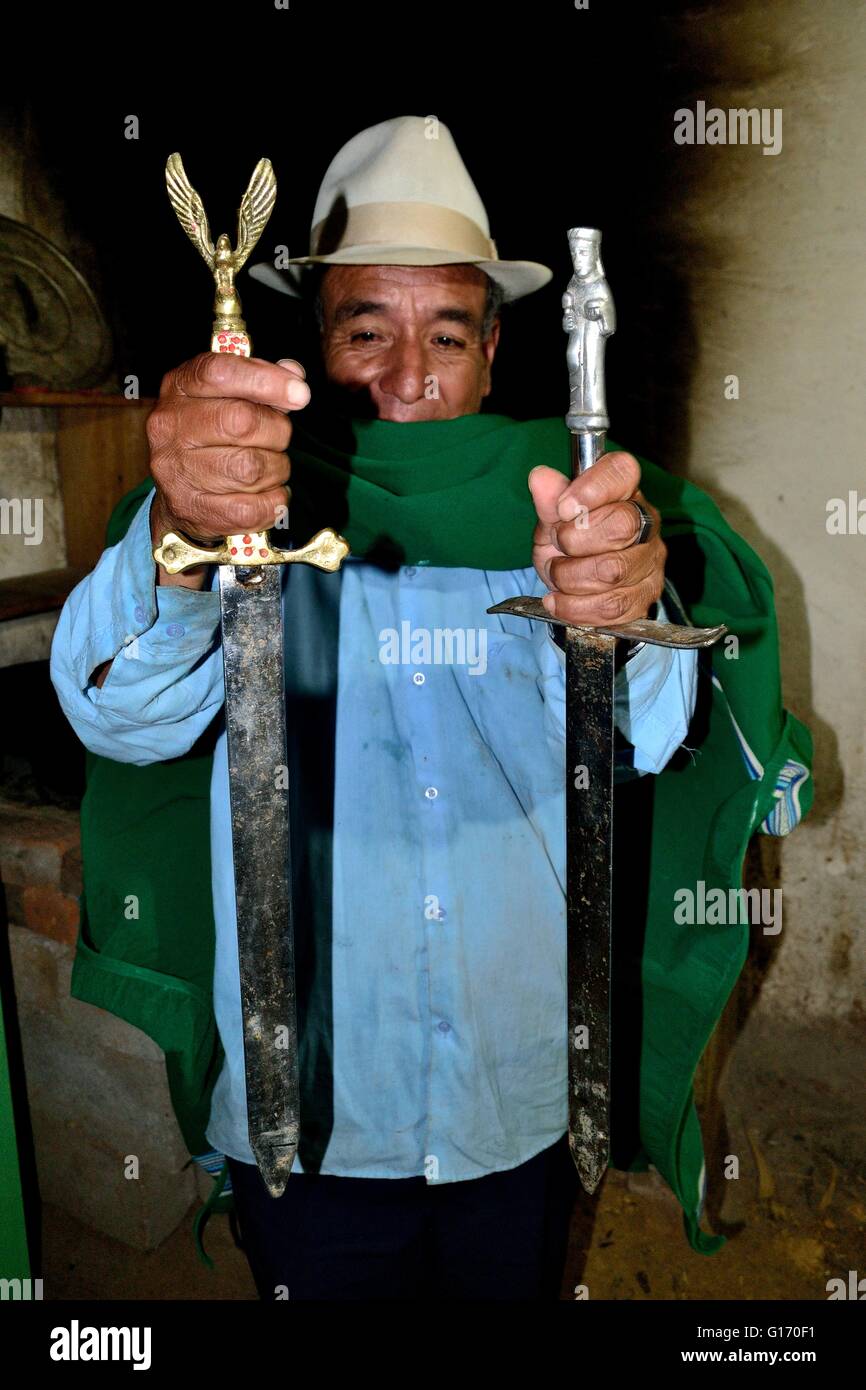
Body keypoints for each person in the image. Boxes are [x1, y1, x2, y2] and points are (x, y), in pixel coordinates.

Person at [50, 116, 812, 1300]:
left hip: (513, 1092)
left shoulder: (567, 517)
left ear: (493, 350)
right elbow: (123, 717)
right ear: (313, 341)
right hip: (310, 1106)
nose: (407, 378)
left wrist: (625, 607)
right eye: (366, 330)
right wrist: (183, 538)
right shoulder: (234, 515)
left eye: (444, 333)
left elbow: (650, 734)